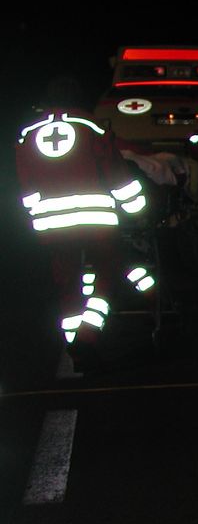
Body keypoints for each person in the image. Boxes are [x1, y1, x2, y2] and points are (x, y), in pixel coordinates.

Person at [14, 76, 154, 366]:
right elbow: (115, 172)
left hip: (50, 224)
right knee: (105, 273)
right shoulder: (92, 126)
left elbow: (24, 182)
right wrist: (135, 207)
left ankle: (73, 348)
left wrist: (34, 214)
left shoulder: (27, 134)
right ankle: (88, 337)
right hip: (95, 220)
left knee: (67, 283)